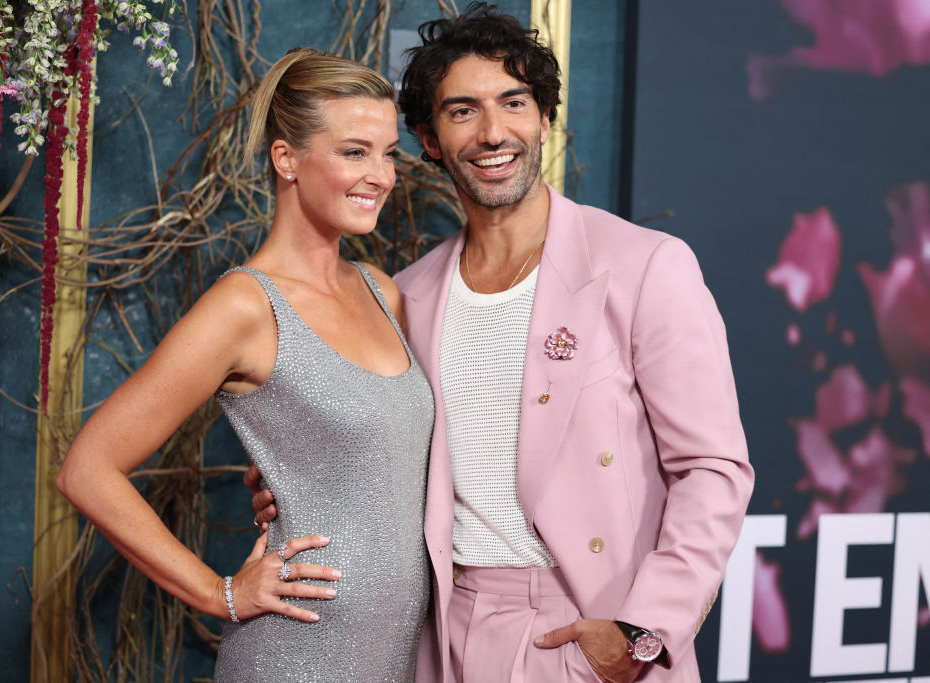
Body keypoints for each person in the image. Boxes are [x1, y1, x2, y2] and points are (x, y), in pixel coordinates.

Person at [249, 5, 755, 683]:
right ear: (428, 137)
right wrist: (296, 474)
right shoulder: (408, 296)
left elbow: (713, 469)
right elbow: (384, 442)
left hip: (587, 623)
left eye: (513, 103)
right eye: (462, 111)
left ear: (544, 117)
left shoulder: (643, 265)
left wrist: (642, 631)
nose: (493, 132)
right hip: (445, 632)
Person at [56, 47, 434, 682]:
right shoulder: (244, 306)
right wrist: (217, 593)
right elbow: (87, 471)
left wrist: (295, 468)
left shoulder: (380, 289)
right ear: (286, 159)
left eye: (388, 152)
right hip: (295, 656)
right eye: (353, 152)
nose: (381, 174)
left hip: (393, 658)